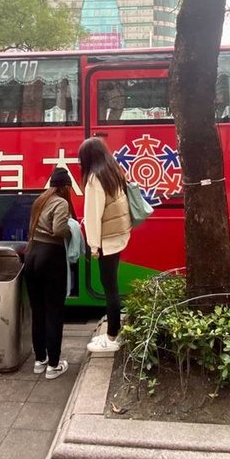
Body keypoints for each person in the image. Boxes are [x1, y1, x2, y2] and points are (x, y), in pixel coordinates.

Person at [78, 137, 131, 354]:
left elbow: (93, 216)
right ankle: (114, 331)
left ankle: (112, 336)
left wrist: (93, 246)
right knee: (112, 285)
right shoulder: (113, 173)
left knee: (109, 287)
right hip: (118, 236)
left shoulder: (94, 179)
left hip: (106, 241)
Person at [25, 167, 76, 379]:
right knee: (54, 312)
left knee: (38, 311)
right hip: (50, 257)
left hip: (32, 255)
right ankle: (54, 365)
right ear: (65, 186)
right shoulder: (61, 202)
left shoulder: (40, 200)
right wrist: (71, 228)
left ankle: (40, 360)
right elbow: (58, 230)